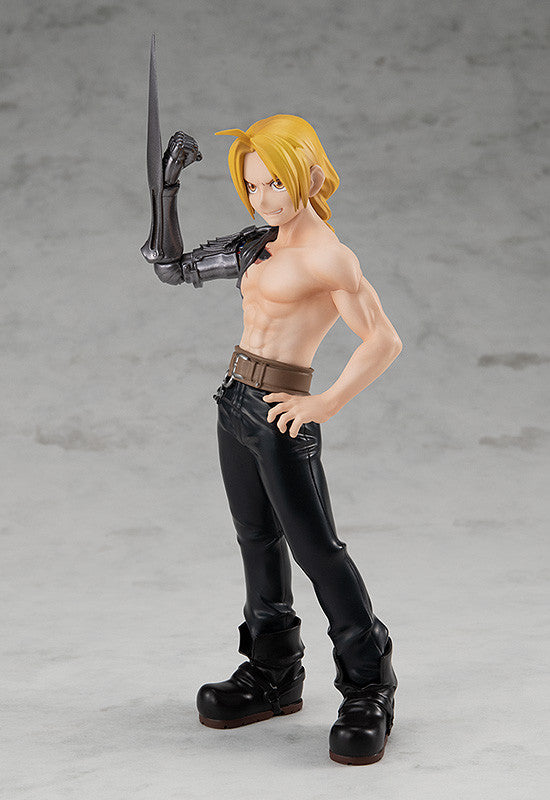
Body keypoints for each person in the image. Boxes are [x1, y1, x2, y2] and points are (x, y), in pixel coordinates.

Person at [142, 114, 402, 765]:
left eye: (275, 183)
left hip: (283, 411)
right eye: (253, 185)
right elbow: (171, 268)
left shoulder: (328, 257)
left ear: (309, 174)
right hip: (235, 403)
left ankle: (369, 686)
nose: (263, 198)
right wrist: (167, 190)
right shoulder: (258, 244)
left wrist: (325, 402)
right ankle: (273, 671)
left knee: (319, 551)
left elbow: (383, 340)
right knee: (256, 540)